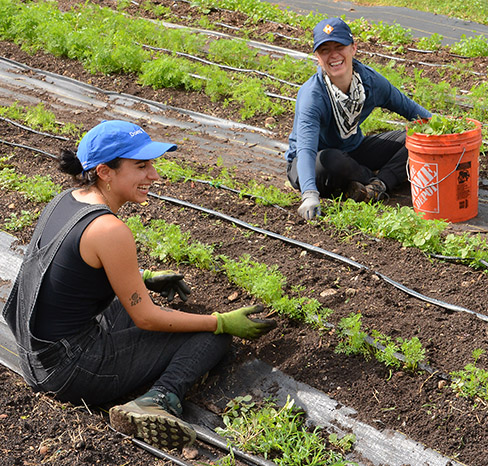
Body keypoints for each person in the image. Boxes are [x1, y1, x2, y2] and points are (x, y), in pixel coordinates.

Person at [2, 120, 275, 450]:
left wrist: (142, 279)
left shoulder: (68, 200)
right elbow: (146, 318)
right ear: (105, 171)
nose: (154, 176)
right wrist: (221, 322)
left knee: (137, 306)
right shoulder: (108, 229)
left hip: (35, 353)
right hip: (68, 372)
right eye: (141, 166)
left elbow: (70, 268)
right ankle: (158, 400)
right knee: (208, 337)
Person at [285, 17, 432, 220]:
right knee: (328, 162)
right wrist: (309, 194)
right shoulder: (313, 96)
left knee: (415, 139)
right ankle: (365, 178)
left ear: (353, 48)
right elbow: (306, 149)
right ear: (318, 58)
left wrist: (447, 132)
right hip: (313, 162)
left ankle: (377, 186)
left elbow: (409, 108)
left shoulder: (369, 82)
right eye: (325, 50)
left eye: (339, 46)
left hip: (353, 151)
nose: (333, 55)